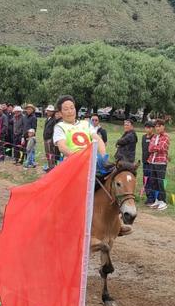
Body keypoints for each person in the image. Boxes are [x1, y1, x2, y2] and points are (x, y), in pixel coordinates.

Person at [53, 95, 131, 236]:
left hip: (94, 161)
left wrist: (102, 156)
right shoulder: (59, 127)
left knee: (114, 181)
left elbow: (98, 140)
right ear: (60, 112)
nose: (70, 111)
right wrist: (78, 158)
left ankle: (117, 223)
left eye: (72, 108)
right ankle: (69, 223)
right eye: (66, 109)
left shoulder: (85, 124)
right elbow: (62, 147)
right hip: (73, 165)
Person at [147, 119, 170, 211]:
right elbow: (150, 148)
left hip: (161, 162)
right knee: (154, 182)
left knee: (160, 182)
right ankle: (157, 200)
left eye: (159, 126)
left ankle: (163, 201)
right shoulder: (154, 137)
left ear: (163, 126)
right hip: (152, 161)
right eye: (156, 126)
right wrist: (154, 148)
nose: (157, 128)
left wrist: (154, 148)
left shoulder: (166, 137)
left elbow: (162, 148)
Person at [141, 121, 156, 206]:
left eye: (149, 128)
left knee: (151, 180)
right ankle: (148, 197)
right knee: (145, 180)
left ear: (152, 128)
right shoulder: (143, 137)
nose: (147, 129)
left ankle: (152, 198)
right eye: (146, 127)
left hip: (152, 163)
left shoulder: (154, 137)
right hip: (144, 162)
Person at [43, 104, 57, 170]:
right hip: (45, 138)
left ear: (53, 112)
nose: (48, 112)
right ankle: (49, 166)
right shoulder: (48, 118)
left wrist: (52, 140)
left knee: (51, 154)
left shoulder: (54, 119)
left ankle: (52, 167)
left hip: (50, 139)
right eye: (48, 111)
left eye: (50, 111)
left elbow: (54, 131)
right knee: (47, 153)